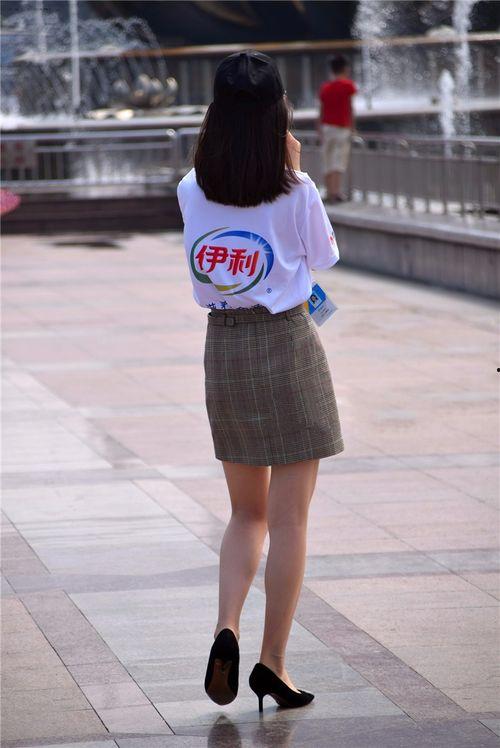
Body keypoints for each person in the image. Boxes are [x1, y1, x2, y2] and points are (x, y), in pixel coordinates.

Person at [176, 49, 344, 714]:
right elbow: (324, 256)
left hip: (224, 349)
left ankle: (227, 627)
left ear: (215, 114)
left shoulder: (190, 188)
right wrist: (297, 172)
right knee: (290, 519)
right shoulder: (294, 189)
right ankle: (273, 662)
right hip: (288, 343)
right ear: (278, 115)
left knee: (246, 513)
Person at [317, 53, 357, 202]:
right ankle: (336, 192)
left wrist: (319, 128)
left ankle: (328, 192)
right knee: (338, 161)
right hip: (342, 127)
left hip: (327, 127)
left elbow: (321, 110)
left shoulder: (325, 87)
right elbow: (350, 108)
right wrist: (353, 127)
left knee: (327, 160)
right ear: (345, 68)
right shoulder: (348, 86)